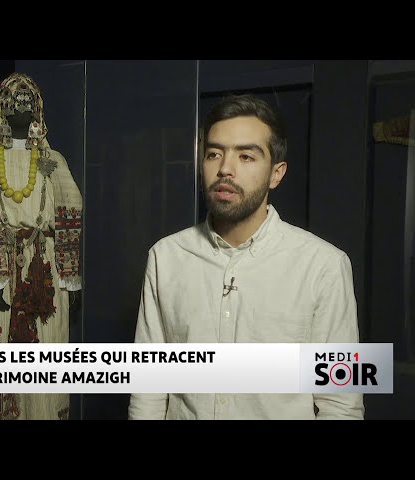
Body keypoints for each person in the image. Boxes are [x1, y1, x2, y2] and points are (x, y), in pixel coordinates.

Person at [128, 94, 364, 420]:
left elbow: (341, 404)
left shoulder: (323, 266)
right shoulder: (167, 257)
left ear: (276, 173)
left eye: (247, 157)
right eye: (214, 153)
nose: (225, 169)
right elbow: (148, 387)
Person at [0, 73, 83, 420]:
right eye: (14, 101)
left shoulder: (54, 161)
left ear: (38, 111)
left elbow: (70, 212)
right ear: (1, 109)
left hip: (43, 273)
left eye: (28, 102)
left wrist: (68, 275)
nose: (21, 108)